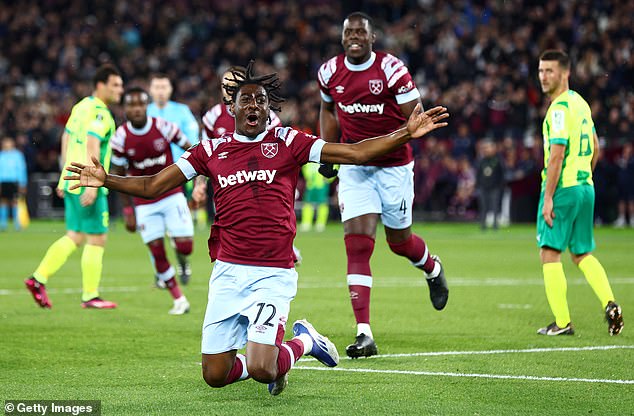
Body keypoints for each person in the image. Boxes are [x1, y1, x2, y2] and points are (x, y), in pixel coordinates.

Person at [65, 62, 449, 394]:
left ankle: (300, 343)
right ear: (230, 107)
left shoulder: (288, 141)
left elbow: (355, 152)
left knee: (264, 366)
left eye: (261, 101)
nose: (253, 105)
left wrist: (404, 132)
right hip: (228, 274)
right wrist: (106, 179)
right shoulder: (210, 150)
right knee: (215, 375)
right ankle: (301, 343)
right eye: (245, 100)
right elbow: (152, 185)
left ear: (269, 110)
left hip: (272, 274)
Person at [317, 12, 449, 357]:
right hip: (355, 168)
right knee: (358, 246)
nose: (355, 37)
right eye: (349, 32)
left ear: (373, 38)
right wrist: (328, 153)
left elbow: (414, 118)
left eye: (361, 32)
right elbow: (328, 111)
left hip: (394, 168)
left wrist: (416, 123)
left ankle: (432, 268)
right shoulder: (329, 72)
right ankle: (364, 333)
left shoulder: (392, 69)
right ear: (342, 38)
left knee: (400, 243)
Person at [536, 49, 624, 336]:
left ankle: (562, 323)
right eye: (540, 71)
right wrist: (585, 176)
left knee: (549, 253)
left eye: (549, 71)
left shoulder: (559, 108)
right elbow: (596, 146)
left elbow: (557, 155)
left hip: (564, 188)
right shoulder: (581, 103)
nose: (543, 76)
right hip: (586, 186)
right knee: (582, 253)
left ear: (565, 73)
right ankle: (610, 303)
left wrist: (549, 196)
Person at [25, 64, 123, 309]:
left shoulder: (81, 106)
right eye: (115, 85)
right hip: (88, 181)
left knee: (75, 236)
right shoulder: (101, 112)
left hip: (72, 179)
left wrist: (63, 174)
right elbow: (92, 142)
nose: (120, 90)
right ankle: (90, 295)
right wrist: (92, 183)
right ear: (101, 85)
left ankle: (38, 279)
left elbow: (66, 138)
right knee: (97, 238)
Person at [110, 87, 193, 314]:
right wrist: (128, 210)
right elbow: (117, 174)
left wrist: (197, 178)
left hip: (171, 193)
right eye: (131, 105)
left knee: (186, 246)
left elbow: (190, 149)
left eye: (140, 104)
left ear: (147, 106)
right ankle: (179, 299)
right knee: (157, 252)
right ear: (125, 108)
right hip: (144, 201)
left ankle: (183, 261)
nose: (136, 109)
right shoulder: (120, 137)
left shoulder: (164, 127)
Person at [148, 73, 201, 275]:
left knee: (177, 231)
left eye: (164, 87)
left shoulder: (182, 112)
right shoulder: (144, 112)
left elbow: (192, 141)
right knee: (154, 227)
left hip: (180, 173)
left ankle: (182, 260)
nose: (160, 91)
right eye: (157, 87)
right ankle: (161, 273)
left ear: (170, 90)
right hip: (153, 175)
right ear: (151, 90)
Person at [475, 139, 505, 230]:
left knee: (495, 206)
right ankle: (483, 224)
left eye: (489, 148)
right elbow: (478, 173)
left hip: (495, 187)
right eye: (485, 148)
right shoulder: (482, 160)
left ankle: (495, 224)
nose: (487, 150)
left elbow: (502, 174)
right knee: (483, 206)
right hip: (483, 187)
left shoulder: (498, 160)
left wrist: (500, 186)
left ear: (494, 149)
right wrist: (478, 185)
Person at [0, 136, 28, 231]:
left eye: (9, 142)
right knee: (3, 202)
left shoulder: (17, 155)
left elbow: (21, 169)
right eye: (5, 142)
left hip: (14, 181)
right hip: (3, 181)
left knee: (15, 202)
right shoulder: (1, 155)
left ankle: (17, 223)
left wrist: (23, 182)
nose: (7, 144)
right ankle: (3, 224)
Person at [299, 162, 332, 232]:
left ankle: (321, 224)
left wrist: (329, 179)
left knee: (322, 204)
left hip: (322, 184)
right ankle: (306, 223)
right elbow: (304, 167)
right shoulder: (310, 156)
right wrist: (308, 177)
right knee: (307, 204)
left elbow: (333, 167)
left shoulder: (325, 156)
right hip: (310, 184)